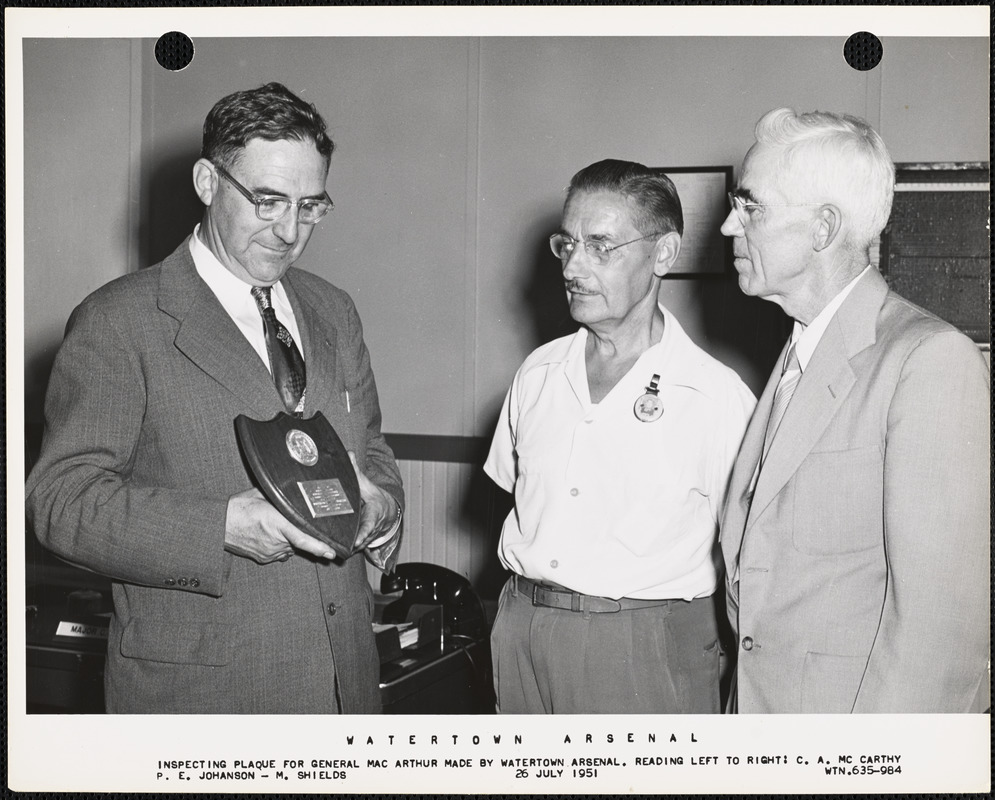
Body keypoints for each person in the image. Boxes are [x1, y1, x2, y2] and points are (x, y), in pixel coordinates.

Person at [26, 83, 404, 714]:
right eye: (267, 201)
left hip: (344, 686)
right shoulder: (120, 320)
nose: (290, 231)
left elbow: (371, 449)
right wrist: (223, 528)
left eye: (311, 206)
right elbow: (60, 501)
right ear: (207, 181)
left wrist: (383, 508)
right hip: (203, 695)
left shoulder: (334, 310)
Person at [718, 108, 990, 713]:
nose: (727, 226)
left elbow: (941, 642)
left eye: (751, 206)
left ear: (823, 228)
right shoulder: (799, 350)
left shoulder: (928, 361)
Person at [484, 159, 756, 714]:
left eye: (601, 246)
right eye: (568, 244)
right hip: (520, 628)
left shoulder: (716, 398)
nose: (574, 266)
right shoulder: (537, 374)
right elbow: (512, 495)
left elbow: (752, 560)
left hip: (640, 646)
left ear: (662, 254)